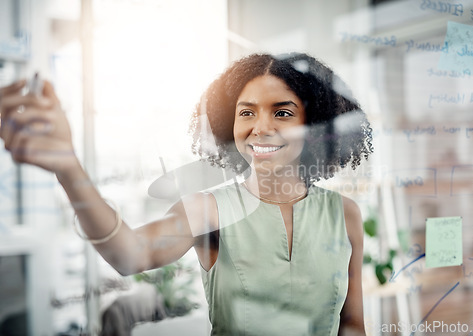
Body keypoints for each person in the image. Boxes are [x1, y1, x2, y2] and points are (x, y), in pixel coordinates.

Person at [0, 52, 373, 335]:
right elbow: (129, 254)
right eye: (246, 113)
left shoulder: (345, 215)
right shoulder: (207, 210)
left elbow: (352, 325)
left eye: (282, 112)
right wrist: (69, 167)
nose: (261, 128)